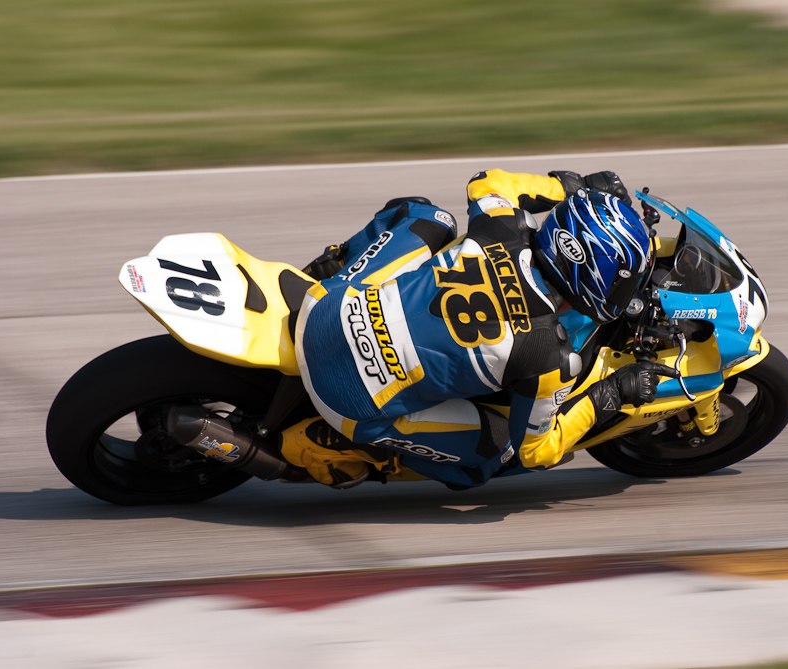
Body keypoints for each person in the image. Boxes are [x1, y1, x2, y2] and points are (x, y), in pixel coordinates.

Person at [279, 169, 670, 490]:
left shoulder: (503, 227)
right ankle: (341, 449)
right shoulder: (547, 355)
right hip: (346, 403)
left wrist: (569, 188)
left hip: (323, 310)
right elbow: (539, 453)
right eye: (624, 281)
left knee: (427, 217)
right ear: (594, 279)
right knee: (500, 450)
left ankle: (328, 267)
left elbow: (486, 182)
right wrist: (610, 393)